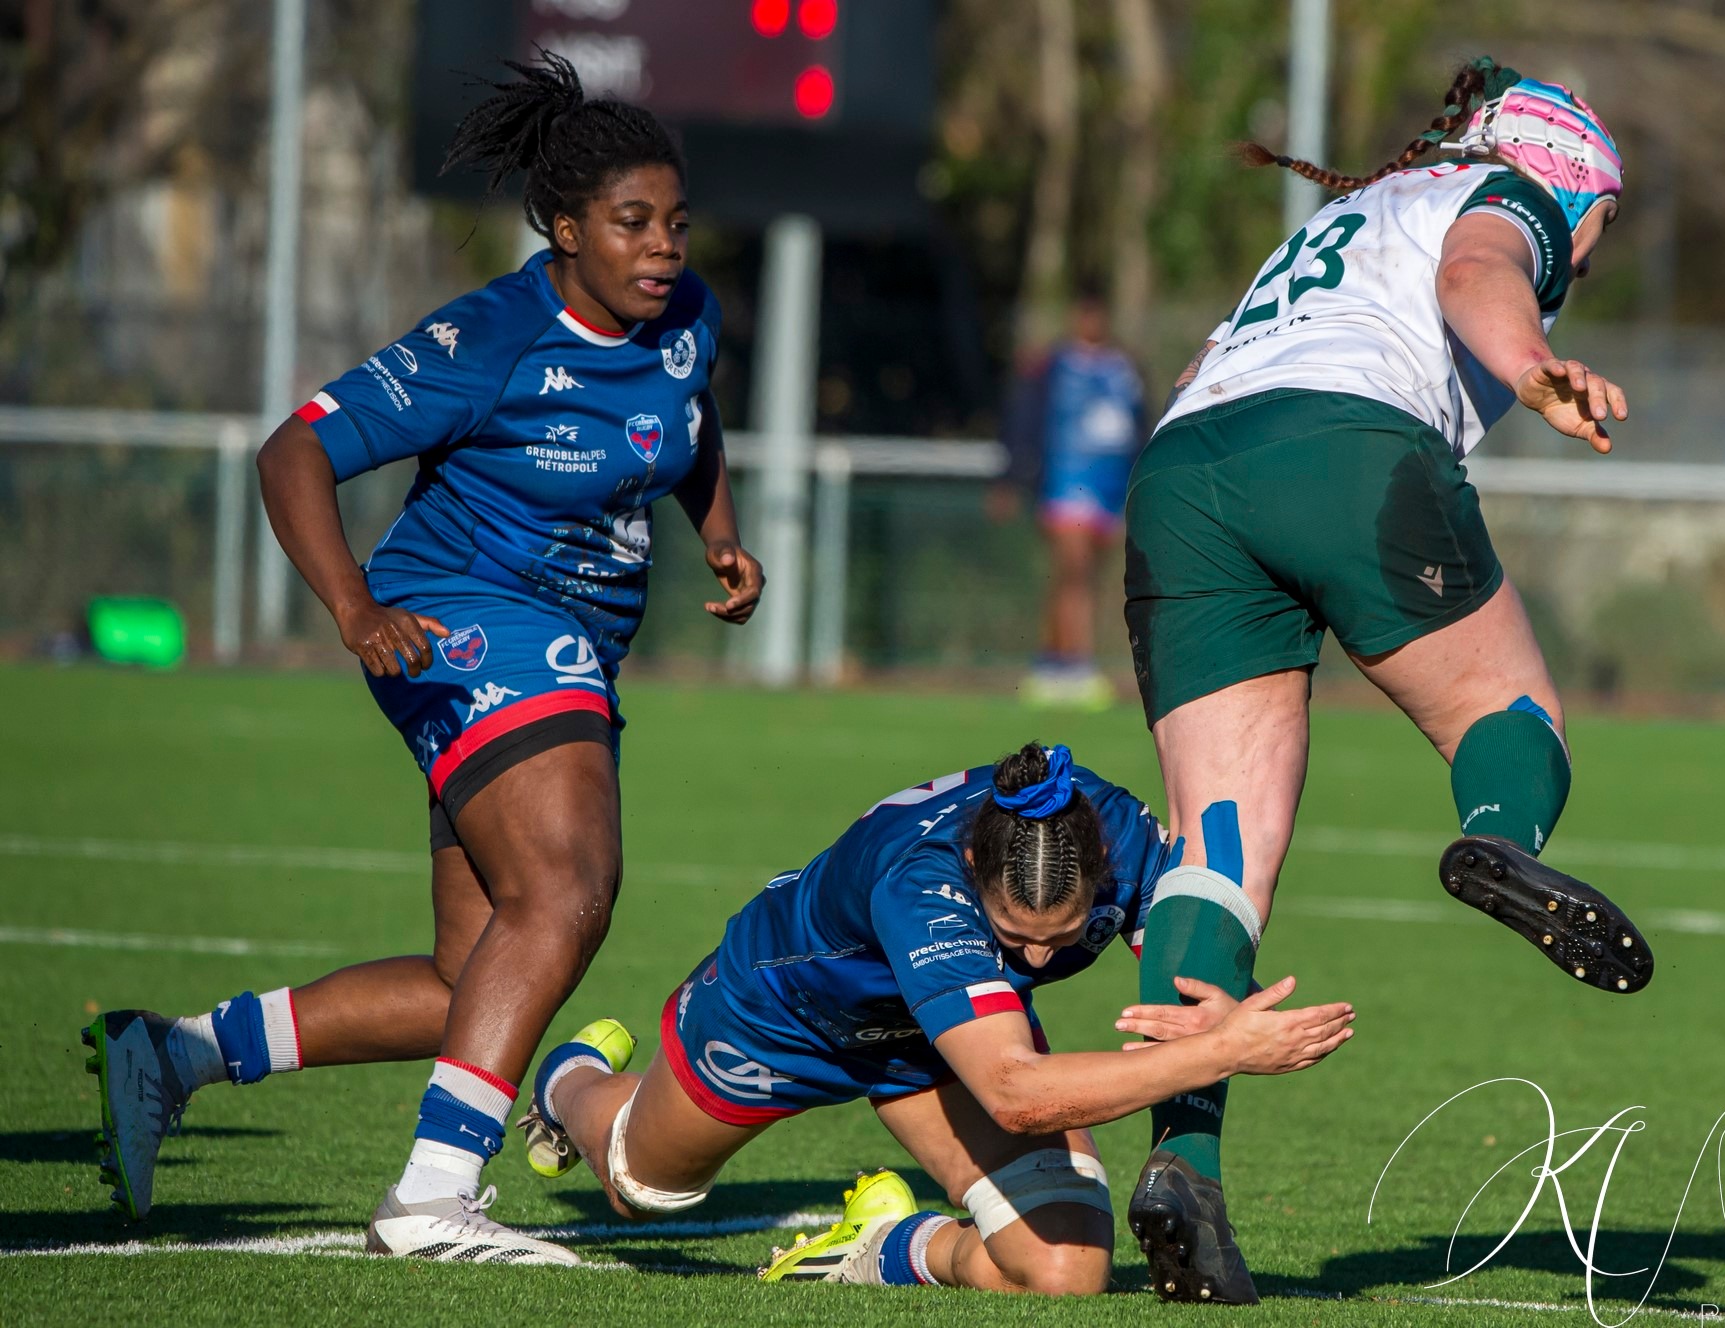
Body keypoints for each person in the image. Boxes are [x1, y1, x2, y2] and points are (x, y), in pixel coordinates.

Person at [80, 51, 763, 1265]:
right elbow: (292, 451)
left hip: (566, 648)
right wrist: (348, 607)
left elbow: (689, 426)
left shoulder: (684, 317)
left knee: (477, 975)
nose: (663, 246)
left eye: (675, 222)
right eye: (631, 223)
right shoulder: (488, 334)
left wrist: (718, 533)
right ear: (563, 228)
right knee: (565, 889)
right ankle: (433, 1197)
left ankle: (174, 1050)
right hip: (460, 615)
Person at [1117, 59, 1656, 1303]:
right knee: (1510, 716)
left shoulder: (1351, 214)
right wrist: (1530, 366)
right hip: (1342, 448)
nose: (1594, 241)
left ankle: (1180, 1169)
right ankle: (1498, 836)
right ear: (1565, 173)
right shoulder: (1509, 193)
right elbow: (1478, 275)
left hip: (1184, 473)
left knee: (1214, 853)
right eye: (1605, 215)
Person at [512, 743, 1354, 1293]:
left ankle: (879, 1246)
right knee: (637, 1186)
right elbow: (1018, 1095)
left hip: (945, 1037)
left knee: (1062, 1271)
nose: (1033, 963)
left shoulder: (1108, 834)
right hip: (791, 1009)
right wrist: (1223, 1052)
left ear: (1100, 873)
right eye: (1014, 938)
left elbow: (1179, 939)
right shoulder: (923, 885)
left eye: (1056, 941)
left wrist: (1212, 999)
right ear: (975, 866)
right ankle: (573, 1081)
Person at [994, 287, 1148, 709]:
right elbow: (1022, 420)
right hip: (1065, 485)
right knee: (1074, 572)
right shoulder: (1051, 365)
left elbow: (1138, 423)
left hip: (1109, 489)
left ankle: (1051, 662)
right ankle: (1077, 667)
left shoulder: (1123, 367)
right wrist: (1011, 477)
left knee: (1082, 578)